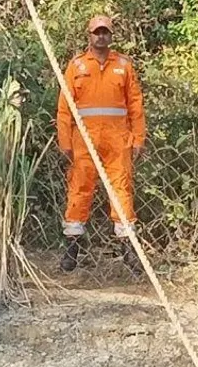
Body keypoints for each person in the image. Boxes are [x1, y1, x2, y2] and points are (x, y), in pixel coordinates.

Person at [56, 15, 145, 272]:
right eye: (97, 32)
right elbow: (64, 108)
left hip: (118, 139)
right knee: (79, 189)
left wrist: (139, 138)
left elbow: (136, 105)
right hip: (84, 139)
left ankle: (128, 248)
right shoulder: (77, 66)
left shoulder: (124, 66)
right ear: (89, 36)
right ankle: (72, 248)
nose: (101, 36)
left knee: (121, 189)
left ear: (111, 35)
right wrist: (65, 142)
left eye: (105, 32)